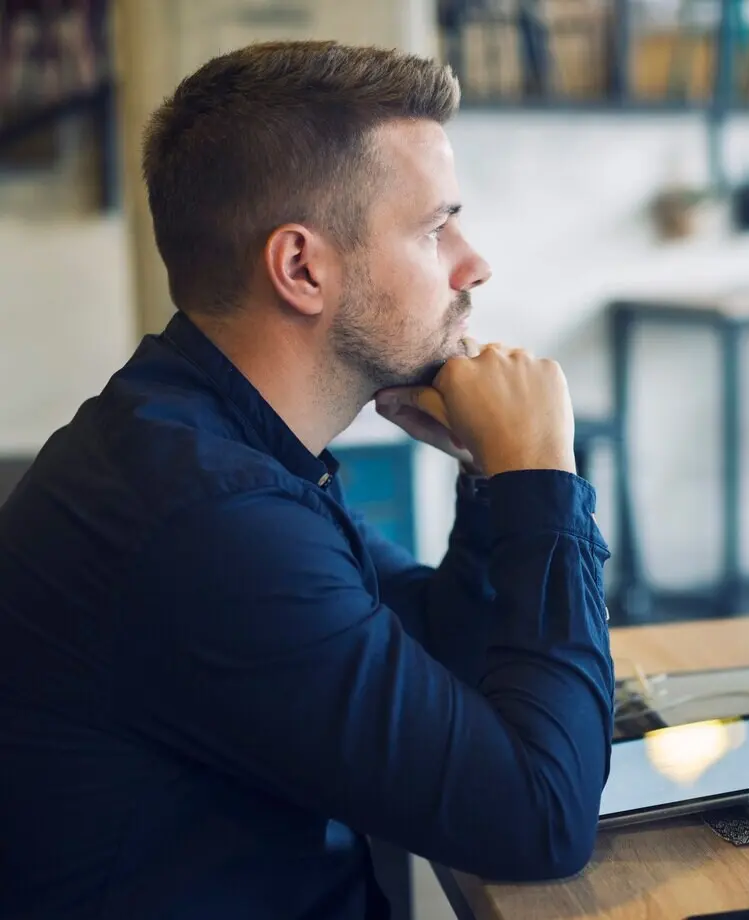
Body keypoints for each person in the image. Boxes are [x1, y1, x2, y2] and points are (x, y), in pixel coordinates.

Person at [0, 41, 614, 919]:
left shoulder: (205, 441)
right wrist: (540, 477)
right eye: (435, 229)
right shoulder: (209, 521)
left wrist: (492, 480)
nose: (473, 263)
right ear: (300, 268)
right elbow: (542, 822)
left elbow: (438, 656)